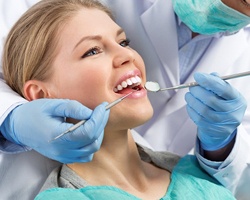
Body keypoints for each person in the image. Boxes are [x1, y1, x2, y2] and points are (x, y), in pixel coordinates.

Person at [0, 0, 249, 199]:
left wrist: (222, 144)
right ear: (41, 95)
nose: (126, 54)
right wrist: (13, 118)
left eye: (124, 42)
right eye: (92, 51)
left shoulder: (196, 180)